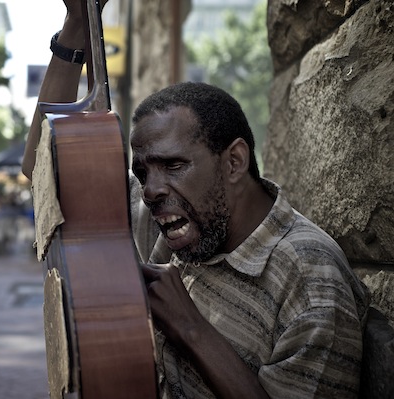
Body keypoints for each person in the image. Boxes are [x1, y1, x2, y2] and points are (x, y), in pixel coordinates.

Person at [21, 1, 371, 398]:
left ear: (234, 162)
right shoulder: (174, 217)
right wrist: (75, 28)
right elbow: (45, 169)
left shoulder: (310, 281)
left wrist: (191, 328)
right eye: (143, 172)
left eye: (172, 165)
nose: (151, 190)